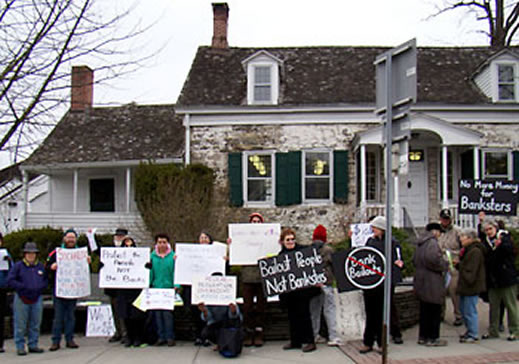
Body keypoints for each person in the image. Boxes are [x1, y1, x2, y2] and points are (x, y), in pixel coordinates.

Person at [359, 216, 404, 353]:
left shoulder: (392, 243)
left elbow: (397, 259)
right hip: (371, 284)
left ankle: (381, 342)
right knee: (370, 313)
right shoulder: (370, 241)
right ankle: (368, 341)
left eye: (375, 227)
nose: (372, 230)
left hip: (384, 283)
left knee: (381, 314)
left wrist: (399, 264)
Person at [228, 212, 267, 347]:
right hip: (248, 277)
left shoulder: (267, 238)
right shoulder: (243, 238)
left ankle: (259, 332)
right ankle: (248, 332)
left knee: (261, 307)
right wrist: (231, 245)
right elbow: (233, 256)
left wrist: (277, 243)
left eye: (258, 221)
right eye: (253, 221)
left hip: (263, 277)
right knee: (247, 307)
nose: (255, 224)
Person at [47, 228, 90, 351]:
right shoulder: (56, 252)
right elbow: (46, 266)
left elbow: (83, 270)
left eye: (73, 237)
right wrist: (51, 267)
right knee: (58, 317)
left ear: (76, 239)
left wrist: (87, 262)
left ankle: (69, 339)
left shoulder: (80, 252)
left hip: (73, 290)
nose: (71, 239)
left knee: (70, 316)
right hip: (60, 290)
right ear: (64, 239)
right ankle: (55, 341)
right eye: (68, 237)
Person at [279, 228, 318, 353]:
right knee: (292, 317)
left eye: (292, 239)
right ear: (282, 242)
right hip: (290, 293)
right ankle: (295, 341)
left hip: (302, 292)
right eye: (288, 240)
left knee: (304, 316)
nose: (290, 242)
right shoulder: (280, 256)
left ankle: (310, 341)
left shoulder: (302, 252)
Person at [7, 242, 48, 355]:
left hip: (37, 298)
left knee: (35, 323)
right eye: (29, 253)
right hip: (21, 298)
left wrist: (40, 287)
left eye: (33, 253)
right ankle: (20, 346)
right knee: (20, 324)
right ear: (25, 254)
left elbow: (45, 280)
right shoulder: (18, 266)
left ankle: (33, 344)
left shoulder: (40, 266)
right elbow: (10, 280)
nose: (31, 255)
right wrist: (22, 287)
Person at [481, 220, 518, 341]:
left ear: (495, 228)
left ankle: (515, 330)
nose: (489, 232)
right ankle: (493, 330)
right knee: (494, 307)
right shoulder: (485, 242)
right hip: (493, 280)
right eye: (486, 230)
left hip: (507, 278)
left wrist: (500, 245)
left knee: (510, 306)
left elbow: (510, 251)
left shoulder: (505, 238)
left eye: (490, 229)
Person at [413, 223, 449, 347]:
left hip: (421, 280)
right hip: (432, 281)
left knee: (424, 310)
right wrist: (445, 264)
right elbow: (433, 259)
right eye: (439, 232)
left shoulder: (420, 243)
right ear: (435, 231)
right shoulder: (432, 243)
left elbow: (415, 260)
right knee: (434, 310)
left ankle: (423, 336)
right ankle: (433, 337)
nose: (440, 235)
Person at [309, 224, 342, 346]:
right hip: (327, 282)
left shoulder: (309, 250)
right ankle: (333, 336)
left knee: (314, 311)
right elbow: (335, 266)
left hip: (314, 284)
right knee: (330, 309)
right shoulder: (328, 250)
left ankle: (314, 335)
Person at [181, 231, 215, 346]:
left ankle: (207, 336)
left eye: (206, 237)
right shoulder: (192, 253)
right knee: (195, 311)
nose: (204, 239)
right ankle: (198, 335)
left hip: (208, 287)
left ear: (210, 240)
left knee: (207, 312)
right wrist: (179, 259)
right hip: (193, 286)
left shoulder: (215, 253)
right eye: (201, 237)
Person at [117, 236, 148, 348]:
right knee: (126, 316)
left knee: (137, 316)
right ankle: (129, 338)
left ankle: (138, 338)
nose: (128, 248)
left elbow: (147, 268)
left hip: (136, 289)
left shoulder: (140, 257)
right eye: (126, 245)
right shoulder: (117, 257)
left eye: (131, 245)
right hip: (123, 290)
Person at [457, 229, 486, 343]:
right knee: (464, 310)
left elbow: (471, 270)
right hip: (466, 285)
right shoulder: (467, 250)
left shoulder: (475, 251)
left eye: (462, 237)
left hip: (471, 285)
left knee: (470, 310)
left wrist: (461, 267)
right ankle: (469, 331)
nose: (460, 239)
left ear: (469, 238)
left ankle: (473, 334)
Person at [149, 233, 177, 346]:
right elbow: (150, 272)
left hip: (168, 288)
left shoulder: (173, 256)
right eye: (160, 242)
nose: (162, 244)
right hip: (156, 288)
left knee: (167, 314)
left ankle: (170, 337)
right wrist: (148, 283)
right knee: (157, 314)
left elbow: (176, 271)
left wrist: (177, 284)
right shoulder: (152, 257)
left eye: (164, 242)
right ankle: (161, 337)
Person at [437, 208, 463, 326]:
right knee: (439, 290)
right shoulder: (437, 230)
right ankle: (440, 314)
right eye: (443, 219)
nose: (445, 221)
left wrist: (459, 258)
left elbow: (464, 247)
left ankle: (458, 315)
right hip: (440, 262)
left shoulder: (457, 231)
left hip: (453, 262)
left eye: (447, 219)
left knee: (454, 290)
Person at [106, 228, 128, 343]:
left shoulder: (130, 249)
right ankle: (118, 331)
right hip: (112, 287)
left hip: (125, 286)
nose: (119, 238)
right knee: (115, 311)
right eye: (117, 236)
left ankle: (125, 333)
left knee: (123, 311)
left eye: (121, 236)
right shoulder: (109, 250)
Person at [0, 232, 12, 353]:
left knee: (1, 318)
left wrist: (8, 261)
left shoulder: (4, 254)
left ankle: (0, 344)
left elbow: (11, 271)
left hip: (1, 288)